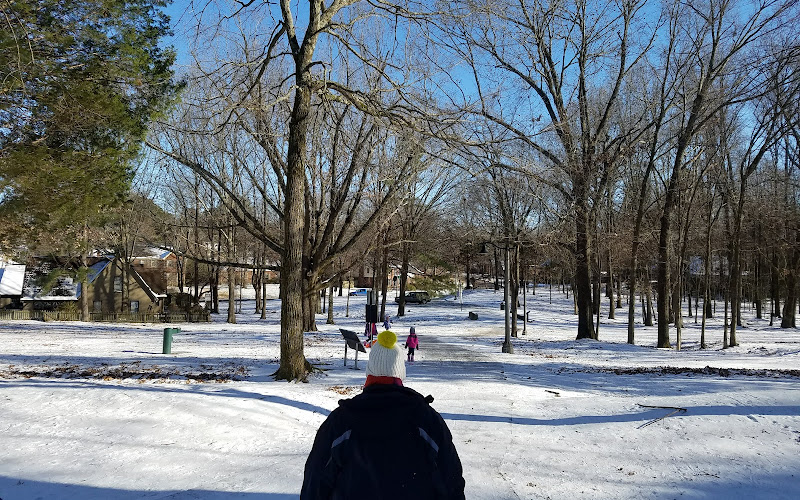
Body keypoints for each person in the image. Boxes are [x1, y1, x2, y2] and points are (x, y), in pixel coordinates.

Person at [301, 330, 465, 500]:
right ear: (400, 374)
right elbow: (450, 480)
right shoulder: (427, 420)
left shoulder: (341, 421)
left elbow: (315, 481)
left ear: (369, 373)